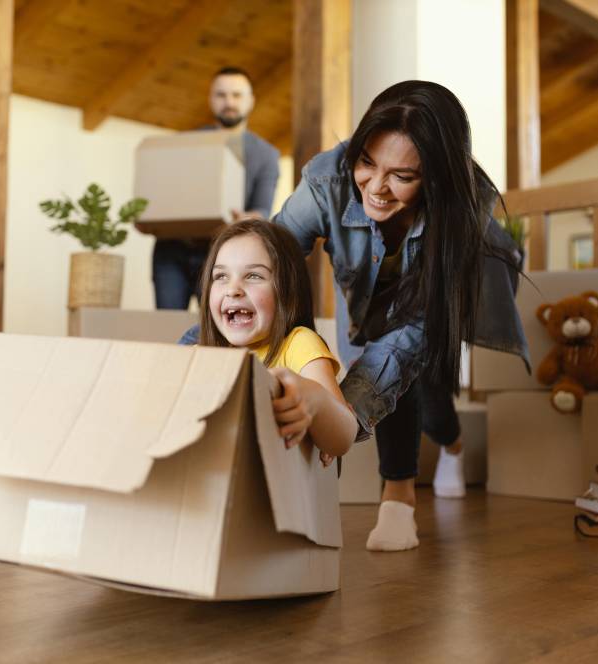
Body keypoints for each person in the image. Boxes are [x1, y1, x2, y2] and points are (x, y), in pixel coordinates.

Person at [273, 80, 529, 551]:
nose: (375, 187)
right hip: (368, 298)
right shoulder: (327, 179)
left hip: (435, 300)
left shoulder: (462, 219)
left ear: (436, 177)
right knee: (376, 372)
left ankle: (411, 486)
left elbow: (405, 344)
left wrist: (339, 415)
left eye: (402, 176)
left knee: (423, 388)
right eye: (367, 163)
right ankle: (404, 488)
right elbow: (268, 262)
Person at [198, 220, 356, 461]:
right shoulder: (204, 357)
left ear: (287, 289)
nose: (233, 289)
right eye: (220, 276)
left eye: (253, 275)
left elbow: (344, 435)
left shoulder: (298, 344)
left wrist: (315, 400)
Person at [153, 67, 281, 311]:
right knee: (168, 332)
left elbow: (262, 210)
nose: (229, 102)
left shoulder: (266, 155)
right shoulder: (184, 144)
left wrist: (243, 219)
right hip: (172, 251)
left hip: (222, 256)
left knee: (218, 333)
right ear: (211, 99)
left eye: (236, 95)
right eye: (221, 95)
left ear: (250, 101)